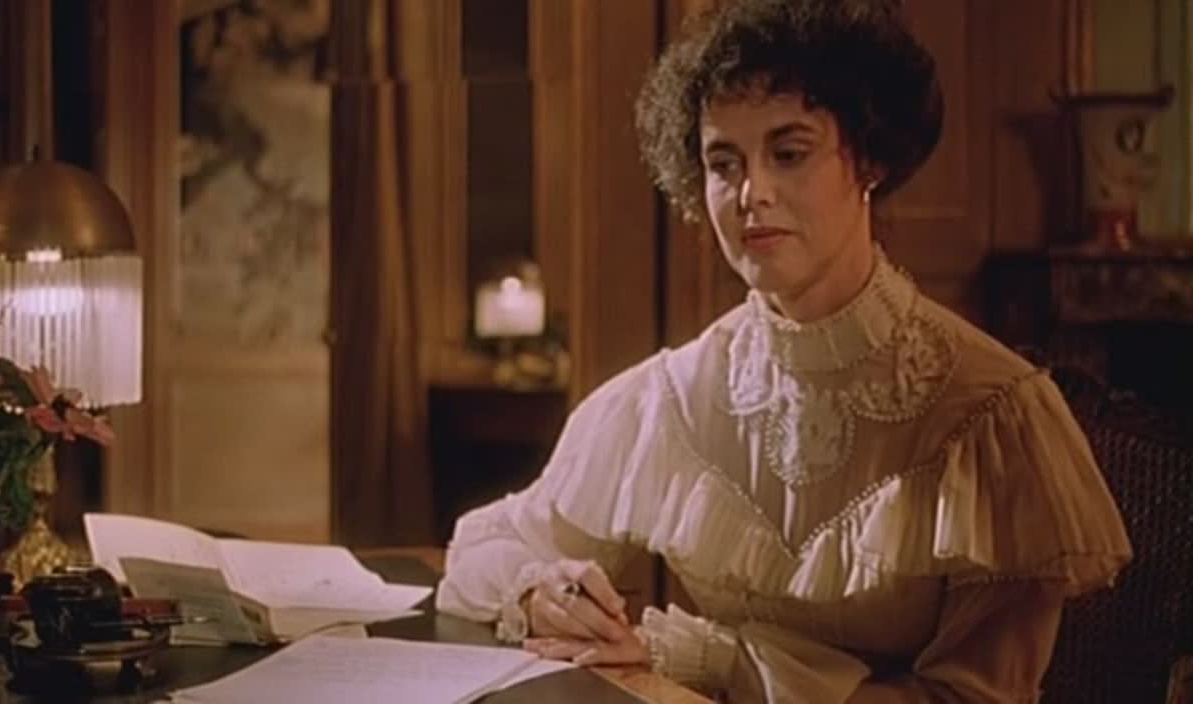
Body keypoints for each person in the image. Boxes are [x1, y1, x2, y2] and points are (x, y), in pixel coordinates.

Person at [435, 0, 1133, 701]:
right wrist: (541, 593)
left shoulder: (991, 415)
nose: (751, 193)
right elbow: (482, 551)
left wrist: (711, 660)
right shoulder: (671, 399)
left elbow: (971, 699)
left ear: (868, 160)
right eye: (723, 162)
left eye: (789, 153)